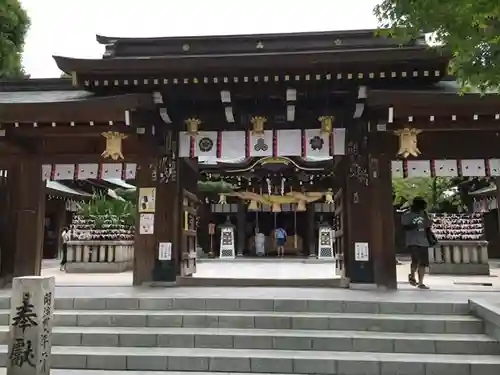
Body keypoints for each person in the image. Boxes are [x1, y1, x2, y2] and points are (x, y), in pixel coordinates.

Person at [401, 197, 437, 289]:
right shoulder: (407, 215)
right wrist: (414, 225)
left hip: (423, 240)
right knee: (415, 259)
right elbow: (404, 227)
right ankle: (412, 275)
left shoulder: (423, 214)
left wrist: (429, 223)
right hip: (412, 240)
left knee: (423, 263)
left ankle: (421, 282)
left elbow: (427, 225)